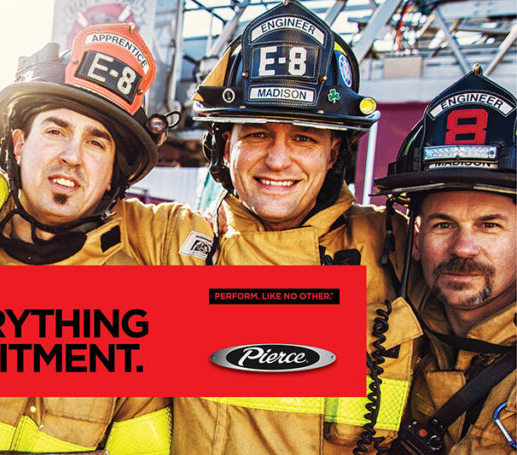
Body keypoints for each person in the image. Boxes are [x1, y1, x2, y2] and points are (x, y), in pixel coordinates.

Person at [0, 23, 213, 454]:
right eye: (55, 131)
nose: (72, 156)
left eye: (96, 142)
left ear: (113, 173)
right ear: (19, 145)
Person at [172, 0, 423, 453]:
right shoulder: (171, 241)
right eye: (256, 132)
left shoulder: (396, 246)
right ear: (224, 145)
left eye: (304, 136)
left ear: (333, 154)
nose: (278, 159)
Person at [375, 66, 515, 454]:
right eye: (442, 225)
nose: (462, 247)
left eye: (489, 225)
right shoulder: (404, 340)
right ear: (416, 241)